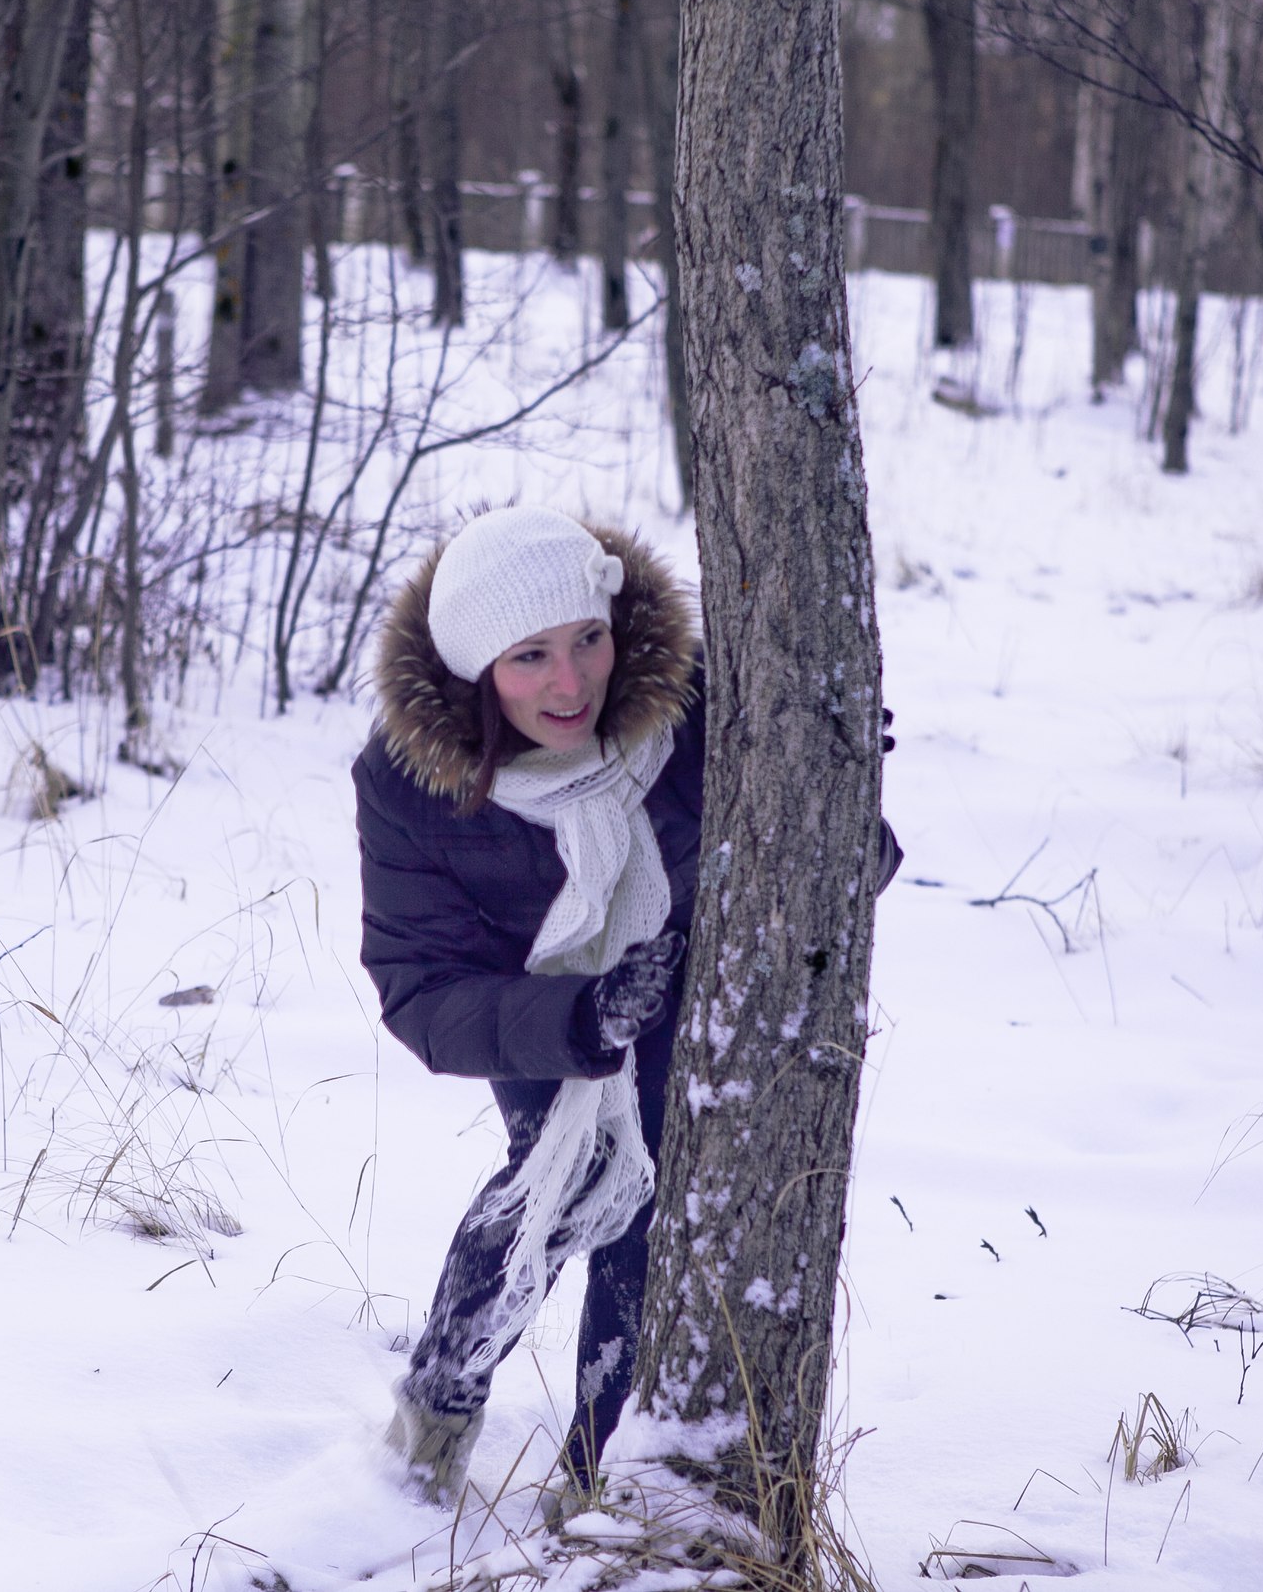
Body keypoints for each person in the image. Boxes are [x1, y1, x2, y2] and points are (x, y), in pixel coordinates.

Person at [350, 505, 897, 1511]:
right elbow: (421, 985)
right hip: (538, 1000)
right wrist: (581, 1018)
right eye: (530, 657)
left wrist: (833, 779)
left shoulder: (695, 703)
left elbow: (831, 879)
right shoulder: (409, 781)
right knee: (563, 1179)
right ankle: (437, 1410)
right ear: (476, 668)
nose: (571, 684)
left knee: (656, 1206)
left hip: (698, 979)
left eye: (587, 641)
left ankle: (603, 1478)